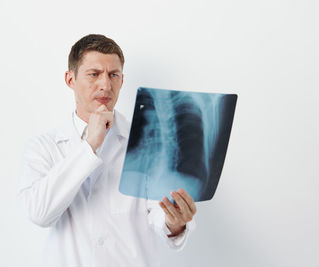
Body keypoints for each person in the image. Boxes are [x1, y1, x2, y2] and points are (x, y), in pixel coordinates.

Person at [18, 34, 197, 267]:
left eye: (114, 75)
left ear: (122, 81)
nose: (105, 84)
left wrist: (175, 223)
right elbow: (40, 213)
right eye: (94, 74)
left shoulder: (149, 143)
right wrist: (90, 145)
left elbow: (160, 214)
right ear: (70, 79)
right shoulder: (44, 147)